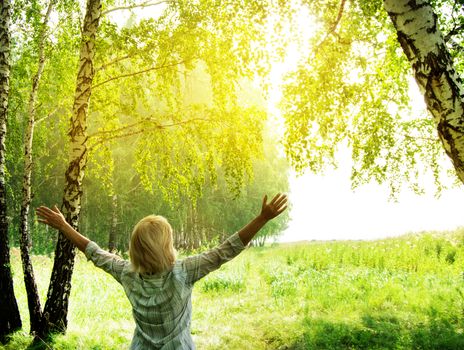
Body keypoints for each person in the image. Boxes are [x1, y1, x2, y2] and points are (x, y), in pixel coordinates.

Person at [36, 193, 287, 349]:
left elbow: (93, 251)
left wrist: (64, 226)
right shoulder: (184, 271)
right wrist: (262, 218)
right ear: (166, 246)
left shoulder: (126, 273)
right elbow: (225, 250)